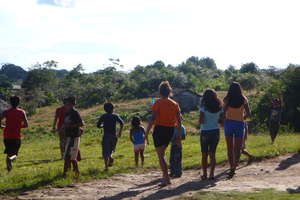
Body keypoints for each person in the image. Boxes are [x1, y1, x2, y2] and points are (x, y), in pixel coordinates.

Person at [146, 81, 182, 186]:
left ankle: (166, 179)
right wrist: (179, 135)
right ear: (169, 92)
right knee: (163, 154)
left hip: (159, 130)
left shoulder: (157, 103)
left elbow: (152, 119)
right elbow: (179, 121)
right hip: (170, 130)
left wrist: (147, 132)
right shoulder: (175, 104)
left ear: (160, 92)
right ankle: (165, 177)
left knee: (161, 156)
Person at [223, 82, 251, 178]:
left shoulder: (227, 99)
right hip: (239, 124)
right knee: (238, 148)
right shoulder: (243, 99)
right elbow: (248, 112)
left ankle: (231, 167)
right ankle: (234, 167)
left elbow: (223, 111)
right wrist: (242, 117)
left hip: (228, 124)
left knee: (230, 148)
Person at [199, 89, 224, 180]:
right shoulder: (219, 106)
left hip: (205, 131)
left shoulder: (203, 107)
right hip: (215, 131)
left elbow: (201, 121)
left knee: (204, 154)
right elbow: (222, 121)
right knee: (212, 154)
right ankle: (212, 174)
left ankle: (205, 174)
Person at [0, 96, 28, 172]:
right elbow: (26, 125)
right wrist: (18, 126)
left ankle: (9, 171)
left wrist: (3, 126)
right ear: (18, 103)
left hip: (7, 136)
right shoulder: (22, 112)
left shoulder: (6, 112)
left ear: (10, 102)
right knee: (14, 155)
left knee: (9, 153)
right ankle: (11, 161)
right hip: (16, 136)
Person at [97, 102, 124, 171]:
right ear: (113, 109)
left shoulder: (103, 116)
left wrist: (102, 126)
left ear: (104, 109)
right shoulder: (115, 116)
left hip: (106, 135)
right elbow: (122, 123)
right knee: (112, 149)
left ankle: (106, 167)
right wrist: (120, 132)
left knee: (105, 151)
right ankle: (110, 157)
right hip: (114, 135)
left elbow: (98, 125)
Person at [62, 97, 84, 177]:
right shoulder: (67, 113)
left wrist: (70, 126)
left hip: (74, 136)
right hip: (69, 136)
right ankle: (76, 172)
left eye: (67, 104)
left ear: (72, 104)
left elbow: (81, 123)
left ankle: (65, 173)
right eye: (65, 104)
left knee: (69, 156)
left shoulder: (75, 113)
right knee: (70, 156)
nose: (65, 105)